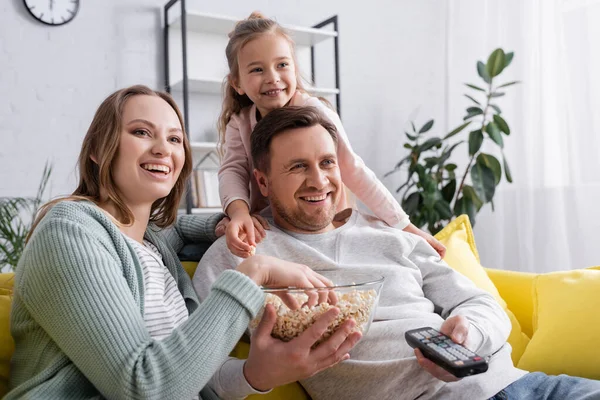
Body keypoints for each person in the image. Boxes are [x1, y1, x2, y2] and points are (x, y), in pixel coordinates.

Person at [193, 106, 600, 400]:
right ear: (262, 182)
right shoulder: (240, 255)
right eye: (298, 167)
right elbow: (196, 374)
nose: (320, 180)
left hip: (521, 386)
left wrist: (469, 334)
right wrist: (256, 374)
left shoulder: (392, 236)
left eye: (327, 163)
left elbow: (481, 302)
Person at [6, 86, 362, 400]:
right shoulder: (69, 232)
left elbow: (192, 377)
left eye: (175, 139)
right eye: (142, 132)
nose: (163, 149)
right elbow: (146, 388)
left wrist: (258, 374)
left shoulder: (153, 244)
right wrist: (254, 272)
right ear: (99, 149)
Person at [214, 11, 446, 259]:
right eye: (257, 69)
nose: (273, 78)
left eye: (282, 65)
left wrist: (405, 226)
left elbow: (353, 170)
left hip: (324, 219)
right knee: (223, 233)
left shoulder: (316, 112)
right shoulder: (239, 123)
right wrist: (238, 213)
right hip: (276, 221)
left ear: (294, 68)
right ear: (237, 83)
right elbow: (232, 171)